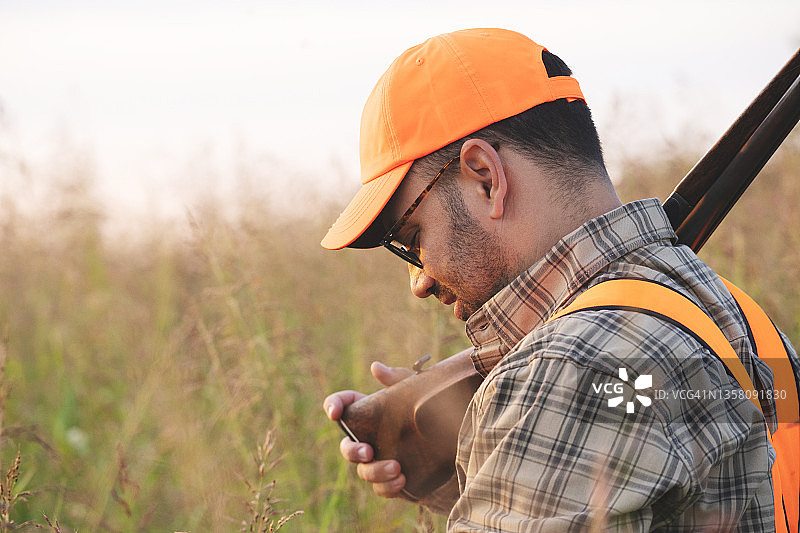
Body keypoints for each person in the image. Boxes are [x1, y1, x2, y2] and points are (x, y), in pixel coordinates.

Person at [320, 28, 799, 531]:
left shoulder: (566, 370)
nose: (418, 281)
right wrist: (486, 443)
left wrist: (529, 405)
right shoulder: (731, 312)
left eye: (409, 236)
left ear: (485, 175)